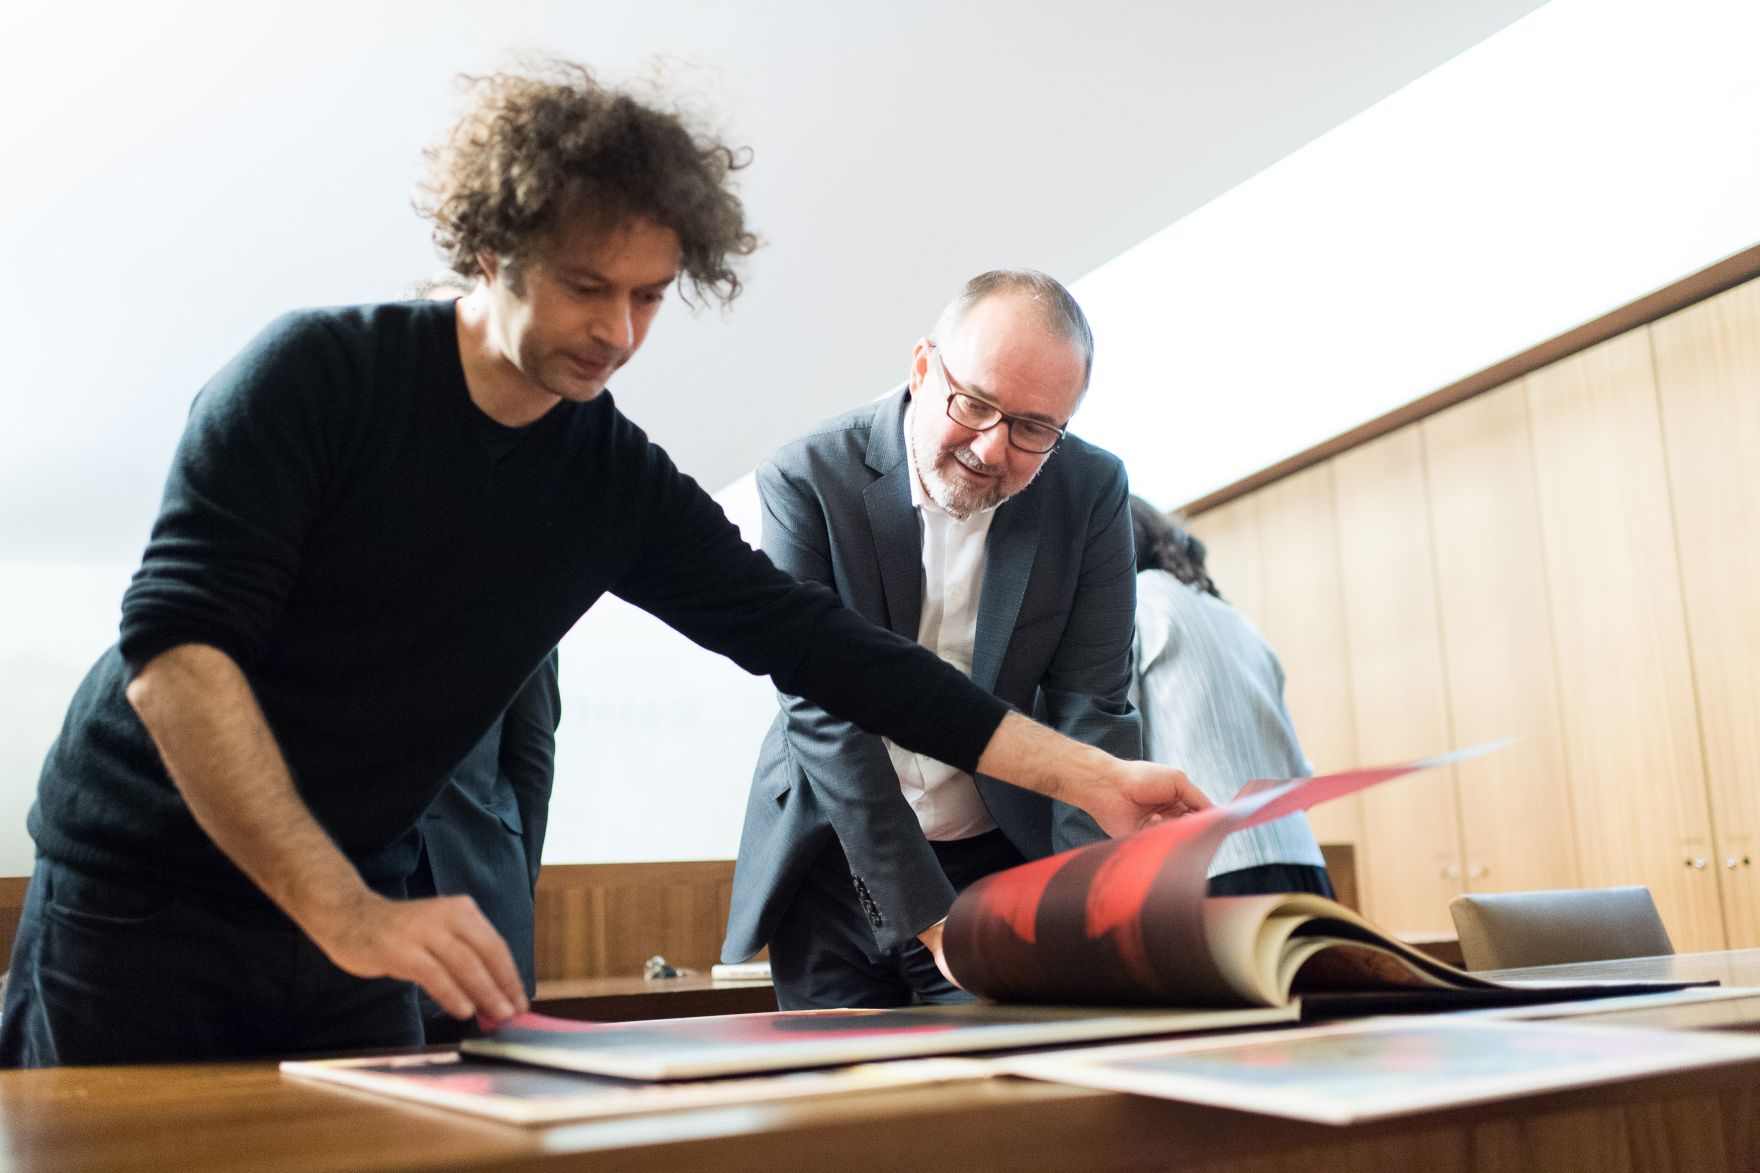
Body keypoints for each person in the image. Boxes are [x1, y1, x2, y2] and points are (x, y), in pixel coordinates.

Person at [0, 61, 1208, 1068]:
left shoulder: (605, 478)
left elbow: (817, 644)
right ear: (491, 240)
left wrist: (1089, 776)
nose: (619, 333)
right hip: (142, 898)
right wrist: (345, 909)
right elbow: (177, 656)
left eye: (649, 296)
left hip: (356, 915)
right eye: (587, 286)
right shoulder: (316, 375)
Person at [723, 270, 1139, 1008]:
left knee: (1001, 1106)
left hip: (1001, 859)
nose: (990, 447)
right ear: (922, 367)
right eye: (973, 404)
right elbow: (821, 712)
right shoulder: (807, 477)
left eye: (1033, 429)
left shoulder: (1090, 491)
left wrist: (1084, 913)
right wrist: (928, 917)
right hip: (834, 854)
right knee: (835, 1111)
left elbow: (1093, 709)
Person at [401, 278, 563, 1043]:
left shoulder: (528, 557)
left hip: (487, 898)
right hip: (362, 904)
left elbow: (532, 748)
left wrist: (512, 875)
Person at [1128, 497, 1333, 896]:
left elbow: (1115, 745)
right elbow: (1298, 772)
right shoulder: (1236, 619)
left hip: (1208, 867)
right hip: (1304, 861)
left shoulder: (1133, 603)